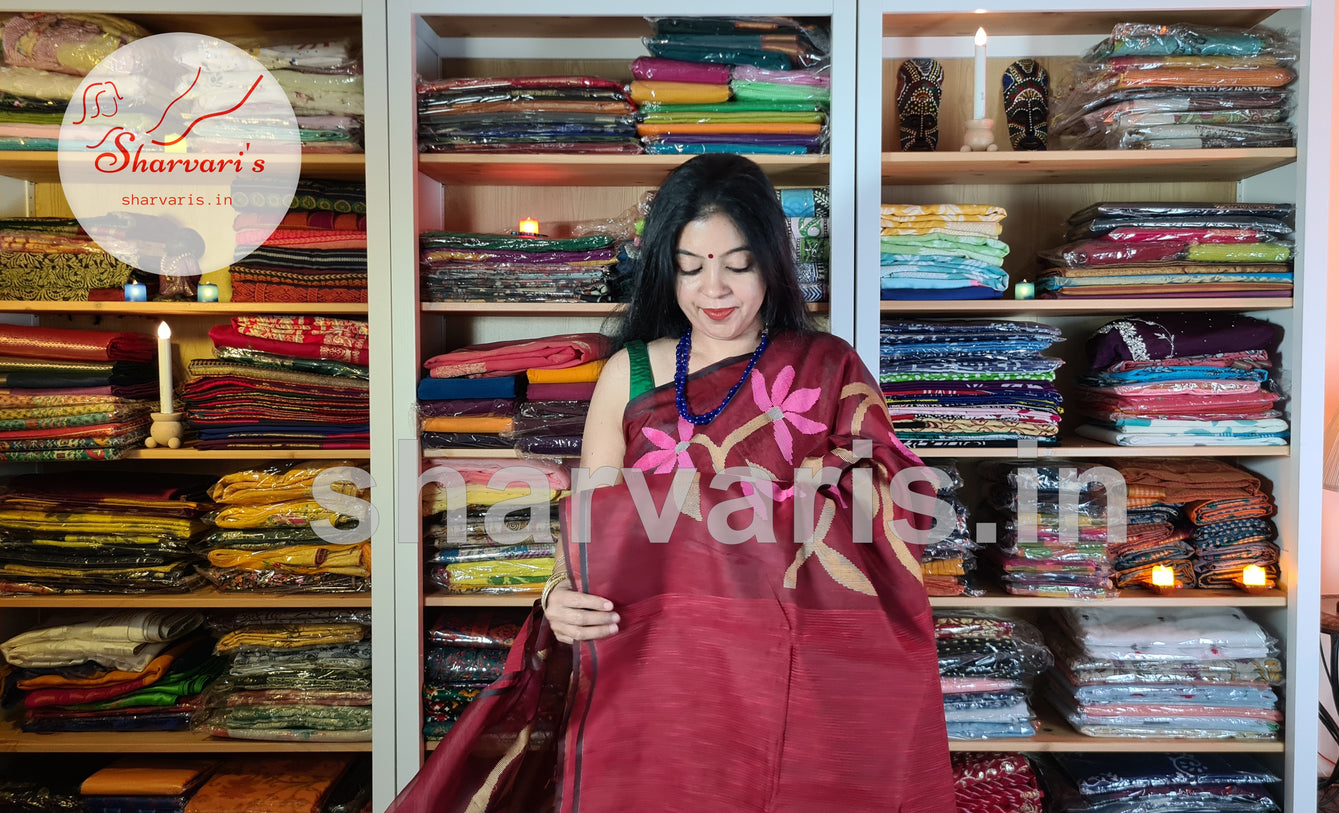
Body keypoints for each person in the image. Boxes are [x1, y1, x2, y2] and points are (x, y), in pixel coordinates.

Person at [389, 154, 953, 813]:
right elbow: (593, 531)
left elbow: (897, 500)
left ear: (772, 259)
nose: (714, 289)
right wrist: (557, 595)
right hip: (660, 679)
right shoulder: (627, 376)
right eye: (691, 266)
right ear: (666, 266)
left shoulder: (826, 368)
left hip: (798, 680)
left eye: (737, 263)